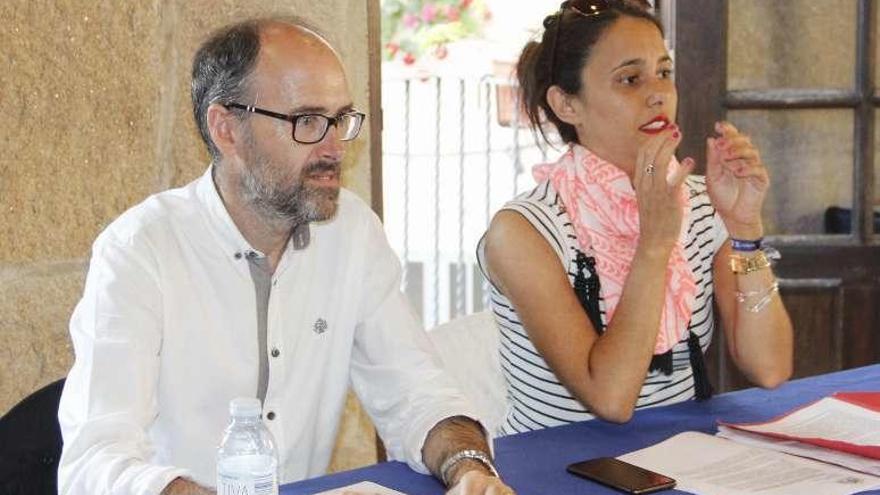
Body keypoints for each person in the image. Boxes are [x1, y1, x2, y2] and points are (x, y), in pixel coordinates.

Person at [58, 17, 514, 495]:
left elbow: (417, 392)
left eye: (340, 120)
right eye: (308, 121)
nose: (335, 147)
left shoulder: (351, 233)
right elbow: (94, 462)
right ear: (227, 129)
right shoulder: (140, 250)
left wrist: (469, 469)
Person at [477, 0, 793, 435]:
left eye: (664, 72)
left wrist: (743, 231)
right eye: (630, 79)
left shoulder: (701, 201)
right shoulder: (524, 231)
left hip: (682, 456)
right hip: (557, 468)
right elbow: (610, 398)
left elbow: (770, 368)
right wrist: (654, 243)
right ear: (567, 104)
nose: (658, 93)